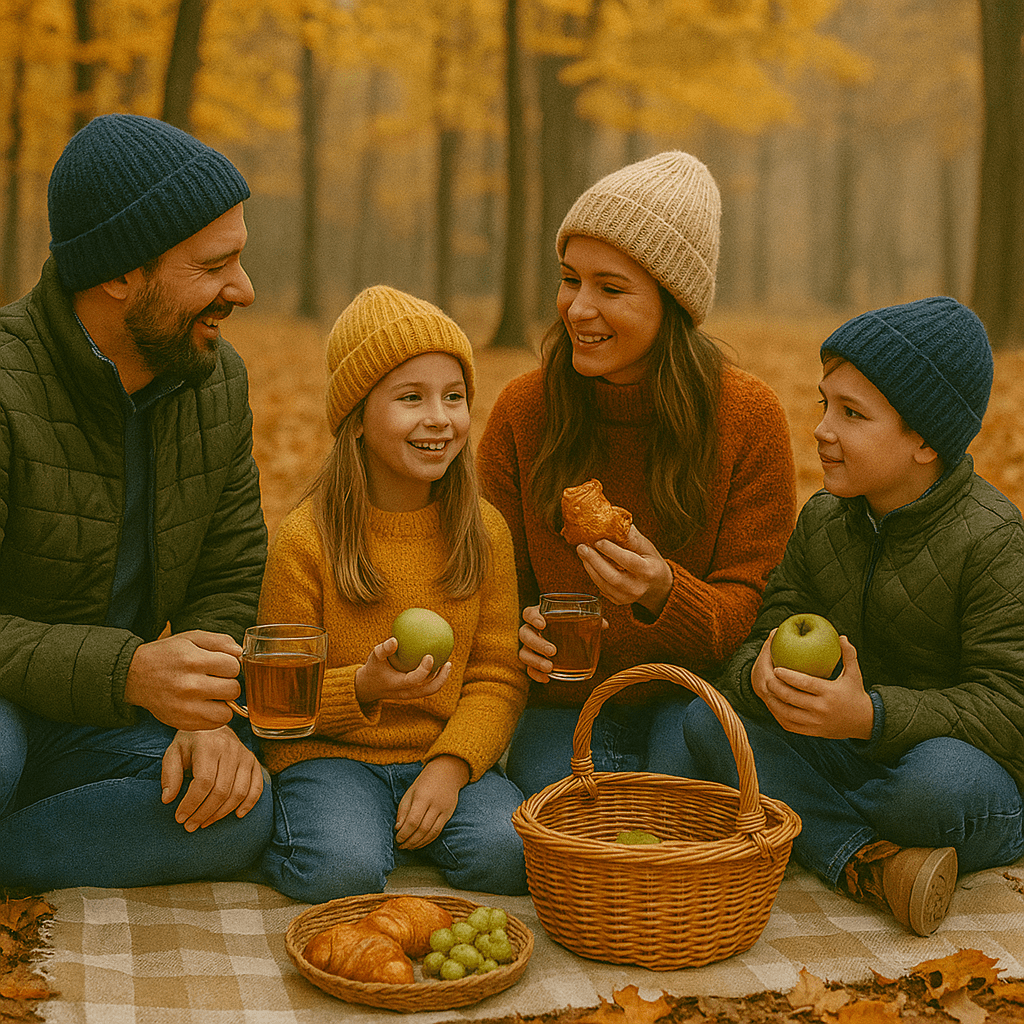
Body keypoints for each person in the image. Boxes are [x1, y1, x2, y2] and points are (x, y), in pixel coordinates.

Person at [682, 297, 1024, 937]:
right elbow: (763, 633)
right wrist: (758, 678)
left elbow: (1010, 706)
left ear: (925, 440)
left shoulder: (994, 538)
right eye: (825, 405)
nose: (822, 429)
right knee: (707, 721)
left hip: (958, 769)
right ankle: (872, 862)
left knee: (931, 790)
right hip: (844, 750)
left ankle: (807, 822)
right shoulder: (823, 520)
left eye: (852, 414)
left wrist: (871, 716)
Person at [0, 113, 272, 890]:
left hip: (99, 719)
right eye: (214, 265)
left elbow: (229, 574)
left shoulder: (214, 379)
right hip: (11, 700)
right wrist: (129, 672)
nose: (244, 290)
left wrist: (205, 713)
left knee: (236, 807)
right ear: (120, 273)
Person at [476, 151, 797, 798]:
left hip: (692, 697)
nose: (577, 308)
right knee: (556, 809)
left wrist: (663, 591)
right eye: (570, 279)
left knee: (674, 802)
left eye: (611, 288)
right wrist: (519, 633)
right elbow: (490, 586)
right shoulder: (523, 411)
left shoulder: (747, 416)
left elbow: (756, 608)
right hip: (562, 701)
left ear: (672, 301)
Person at [253, 285, 529, 904]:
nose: (439, 418)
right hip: (330, 756)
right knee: (340, 869)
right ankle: (323, 830)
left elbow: (497, 677)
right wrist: (363, 687)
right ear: (356, 419)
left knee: (512, 854)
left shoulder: (484, 532)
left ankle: (403, 826)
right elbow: (276, 704)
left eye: (453, 396)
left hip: (439, 751)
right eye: (411, 398)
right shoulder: (306, 540)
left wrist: (451, 767)